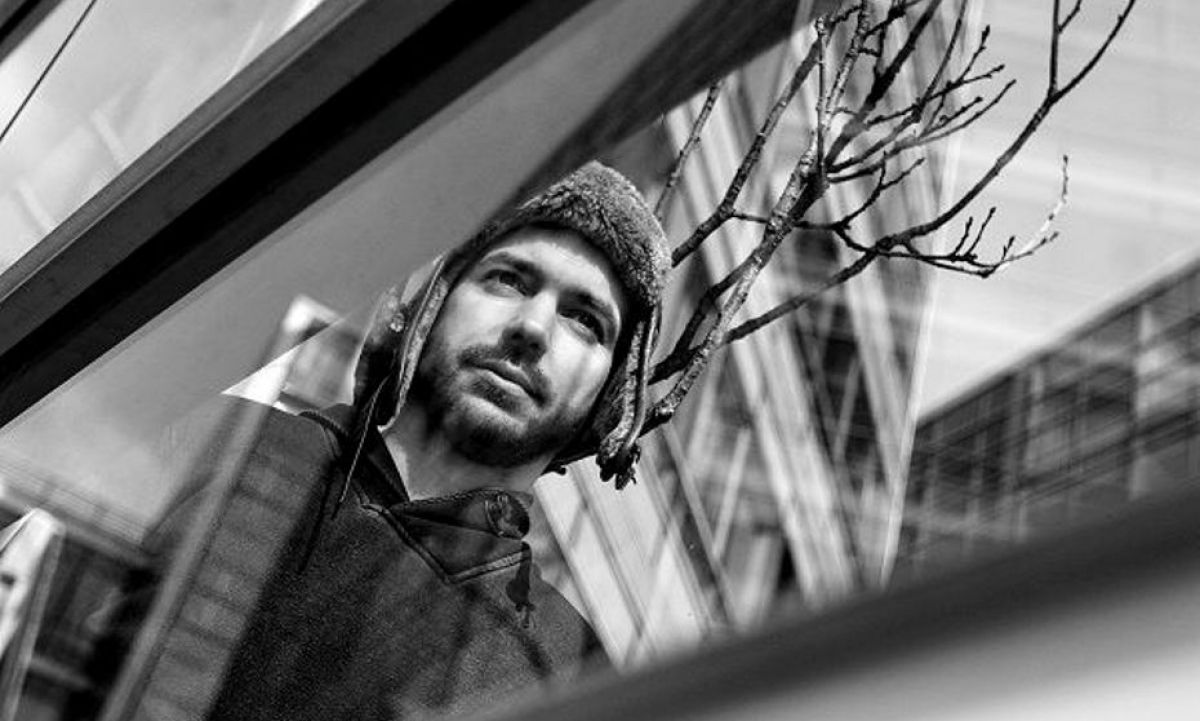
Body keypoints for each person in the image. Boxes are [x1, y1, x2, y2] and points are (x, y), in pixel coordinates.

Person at [201, 161, 671, 720]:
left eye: (585, 320)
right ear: (433, 302)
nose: (532, 328)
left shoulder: (568, 671)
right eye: (509, 279)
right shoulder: (236, 447)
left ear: (609, 400)